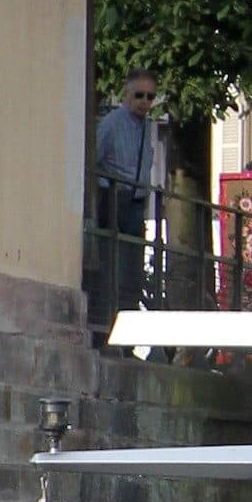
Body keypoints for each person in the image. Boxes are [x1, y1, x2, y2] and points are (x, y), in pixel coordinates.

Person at [94, 68, 158, 316]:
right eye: (139, 95)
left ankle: (128, 329)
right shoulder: (112, 124)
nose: (145, 102)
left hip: (136, 202)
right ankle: (110, 322)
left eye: (150, 97)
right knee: (113, 269)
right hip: (114, 198)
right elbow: (94, 159)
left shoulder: (147, 126)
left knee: (132, 272)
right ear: (127, 94)